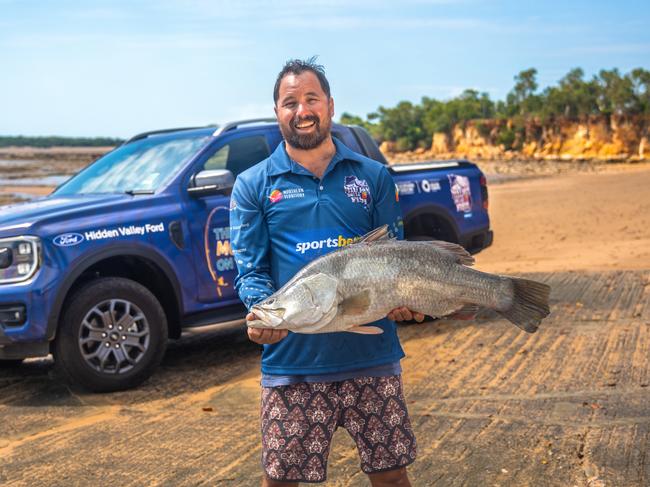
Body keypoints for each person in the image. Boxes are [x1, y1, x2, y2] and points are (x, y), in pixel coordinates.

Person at [229, 58, 424, 487]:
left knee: (392, 477)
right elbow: (251, 268)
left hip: (372, 359)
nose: (302, 110)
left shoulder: (372, 176)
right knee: (281, 482)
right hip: (292, 363)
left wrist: (404, 301)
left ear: (331, 105)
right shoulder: (253, 185)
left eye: (311, 98)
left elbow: (393, 257)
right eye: (290, 102)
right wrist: (264, 315)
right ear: (277, 113)